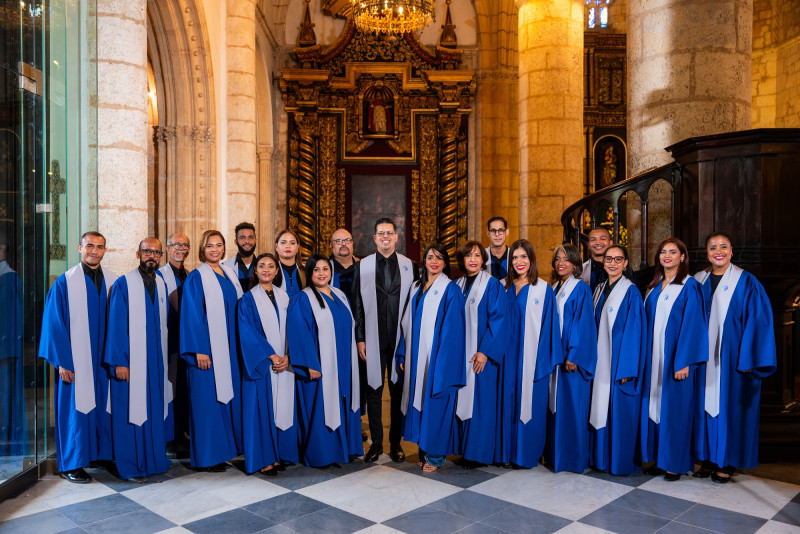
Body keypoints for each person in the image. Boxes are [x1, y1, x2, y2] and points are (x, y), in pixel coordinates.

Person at [692, 232, 777, 483]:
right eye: (712, 247)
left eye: (723, 246)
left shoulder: (747, 281)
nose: (718, 251)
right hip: (703, 360)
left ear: (731, 251)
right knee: (704, 406)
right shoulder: (698, 280)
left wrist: (750, 359)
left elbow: (759, 323)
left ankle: (727, 461)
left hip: (734, 361)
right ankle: (707, 457)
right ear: (706, 253)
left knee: (731, 409)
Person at [39, 232, 116, 483]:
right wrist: (62, 361)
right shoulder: (64, 283)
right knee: (75, 409)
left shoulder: (113, 282)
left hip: (103, 359)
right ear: (79, 247)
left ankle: (100, 455)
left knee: (105, 406)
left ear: (105, 250)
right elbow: (54, 324)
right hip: (75, 361)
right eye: (90, 246)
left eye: (100, 247)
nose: (94, 251)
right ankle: (72, 462)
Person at [104, 238, 172, 483]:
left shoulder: (162, 284)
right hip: (130, 362)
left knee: (153, 410)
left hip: (156, 363)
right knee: (130, 412)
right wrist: (120, 362)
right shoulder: (124, 284)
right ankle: (131, 466)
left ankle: (154, 461)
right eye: (147, 251)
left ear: (161, 256)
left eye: (156, 252)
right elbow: (116, 326)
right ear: (138, 253)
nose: (151, 256)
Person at [640, 237, 708, 481]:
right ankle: (660, 459)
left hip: (675, 362)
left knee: (676, 411)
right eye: (663, 252)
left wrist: (684, 362)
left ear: (682, 256)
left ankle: (675, 464)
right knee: (655, 408)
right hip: (654, 360)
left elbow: (693, 326)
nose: (666, 256)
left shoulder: (689, 286)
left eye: (673, 252)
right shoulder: (654, 286)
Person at [351, 217, 417, 463]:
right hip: (372, 338)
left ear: (396, 237)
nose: (386, 237)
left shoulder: (411, 266)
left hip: (400, 340)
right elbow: (357, 304)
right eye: (381, 233)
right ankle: (377, 444)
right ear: (375, 238)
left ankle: (396, 444)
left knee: (399, 393)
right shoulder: (363, 266)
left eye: (390, 233)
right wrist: (359, 338)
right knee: (374, 392)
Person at [396, 244, 465, 472]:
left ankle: (435, 456)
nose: (433, 261)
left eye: (439, 258)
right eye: (429, 257)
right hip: (417, 358)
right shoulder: (416, 287)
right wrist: (404, 352)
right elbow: (407, 324)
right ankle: (425, 450)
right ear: (423, 261)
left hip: (437, 359)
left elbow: (453, 331)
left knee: (435, 404)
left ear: (445, 262)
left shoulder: (451, 290)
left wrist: (442, 364)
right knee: (420, 403)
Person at [288, 255, 362, 467]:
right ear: (310, 274)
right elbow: (299, 332)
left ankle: (344, 449)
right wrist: (310, 363)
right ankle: (323, 454)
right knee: (322, 407)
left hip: (344, 363)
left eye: (325, 269)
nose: (322, 273)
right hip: (320, 365)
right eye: (316, 270)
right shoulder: (303, 299)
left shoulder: (340, 295)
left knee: (344, 401)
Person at [180, 230, 243, 471]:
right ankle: (207, 457)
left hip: (228, 349)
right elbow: (192, 315)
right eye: (209, 246)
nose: (215, 249)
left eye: (219, 245)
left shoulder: (229, 274)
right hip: (206, 352)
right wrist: (199, 350)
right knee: (206, 403)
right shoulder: (197, 277)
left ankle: (224, 451)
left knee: (224, 402)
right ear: (202, 249)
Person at [588, 245, 646, 476]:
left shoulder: (630, 291)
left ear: (625, 263)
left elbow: (634, 332)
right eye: (608, 259)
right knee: (599, 408)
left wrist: (627, 368)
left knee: (619, 414)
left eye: (618, 259)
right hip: (600, 361)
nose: (612, 263)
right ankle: (600, 460)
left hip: (619, 364)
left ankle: (618, 462)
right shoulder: (598, 289)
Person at [503, 239, 561, 469]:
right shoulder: (501, 287)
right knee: (507, 403)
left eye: (523, 257)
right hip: (505, 359)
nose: (519, 262)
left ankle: (527, 454)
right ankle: (506, 451)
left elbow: (550, 327)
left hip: (533, 358)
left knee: (531, 405)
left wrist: (545, 360)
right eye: (515, 257)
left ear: (531, 260)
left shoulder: (543, 289)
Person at [237, 253, 296, 475]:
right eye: (261, 266)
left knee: (283, 406)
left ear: (277, 271)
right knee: (261, 412)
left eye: (271, 266)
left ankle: (280, 454)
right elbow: (248, 333)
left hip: (284, 363)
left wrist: (289, 356)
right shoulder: (248, 300)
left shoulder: (285, 297)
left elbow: (294, 330)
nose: (266, 270)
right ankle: (264, 459)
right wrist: (272, 356)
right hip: (262, 366)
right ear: (256, 270)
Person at [544, 244, 597, 473]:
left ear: (575, 263)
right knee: (555, 407)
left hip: (570, 358)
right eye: (557, 259)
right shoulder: (555, 287)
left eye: (566, 259)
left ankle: (573, 459)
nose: (560, 263)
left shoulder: (581, 289)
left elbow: (583, 323)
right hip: (555, 357)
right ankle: (556, 456)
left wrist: (574, 354)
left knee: (573, 408)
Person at [454, 241, 507, 468]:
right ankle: (463, 449)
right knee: (462, 400)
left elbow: (499, 319)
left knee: (481, 403)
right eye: (468, 256)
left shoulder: (492, 285)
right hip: (460, 356)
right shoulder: (457, 284)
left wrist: (485, 351)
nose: (473, 259)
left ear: (482, 260)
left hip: (481, 356)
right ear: (462, 260)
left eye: (477, 255)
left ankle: (478, 453)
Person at [159, 232, 190, 454]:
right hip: (167, 343)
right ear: (168, 249)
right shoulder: (160, 276)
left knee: (182, 390)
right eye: (176, 244)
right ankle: (168, 437)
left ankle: (181, 434)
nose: (180, 248)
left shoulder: (190, 275)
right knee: (169, 388)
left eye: (184, 245)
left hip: (185, 342)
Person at [0, 233, 25, 458]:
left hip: (3, 353)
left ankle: (6, 443)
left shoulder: (9, 279)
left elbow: (13, 321)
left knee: (4, 398)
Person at [223, 222, 257, 291]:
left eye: (250, 237)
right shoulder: (225, 267)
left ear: (256, 240)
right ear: (236, 242)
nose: (247, 241)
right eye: (242, 238)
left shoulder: (263, 266)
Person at [274, 229, 305, 298]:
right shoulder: (271, 271)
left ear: (297, 248)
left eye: (292, 243)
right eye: (283, 242)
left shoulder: (305, 271)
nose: (288, 246)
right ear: (276, 247)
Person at [329, 228, 357, 302]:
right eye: (338, 241)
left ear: (352, 244)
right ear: (331, 246)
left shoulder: (362, 267)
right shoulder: (324, 270)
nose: (344, 244)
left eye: (348, 240)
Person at [581, 227, 612, 292]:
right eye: (593, 240)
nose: (598, 242)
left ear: (610, 243)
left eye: (603, 239)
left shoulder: (620, 269)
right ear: (588, 245)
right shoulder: (580, 271)